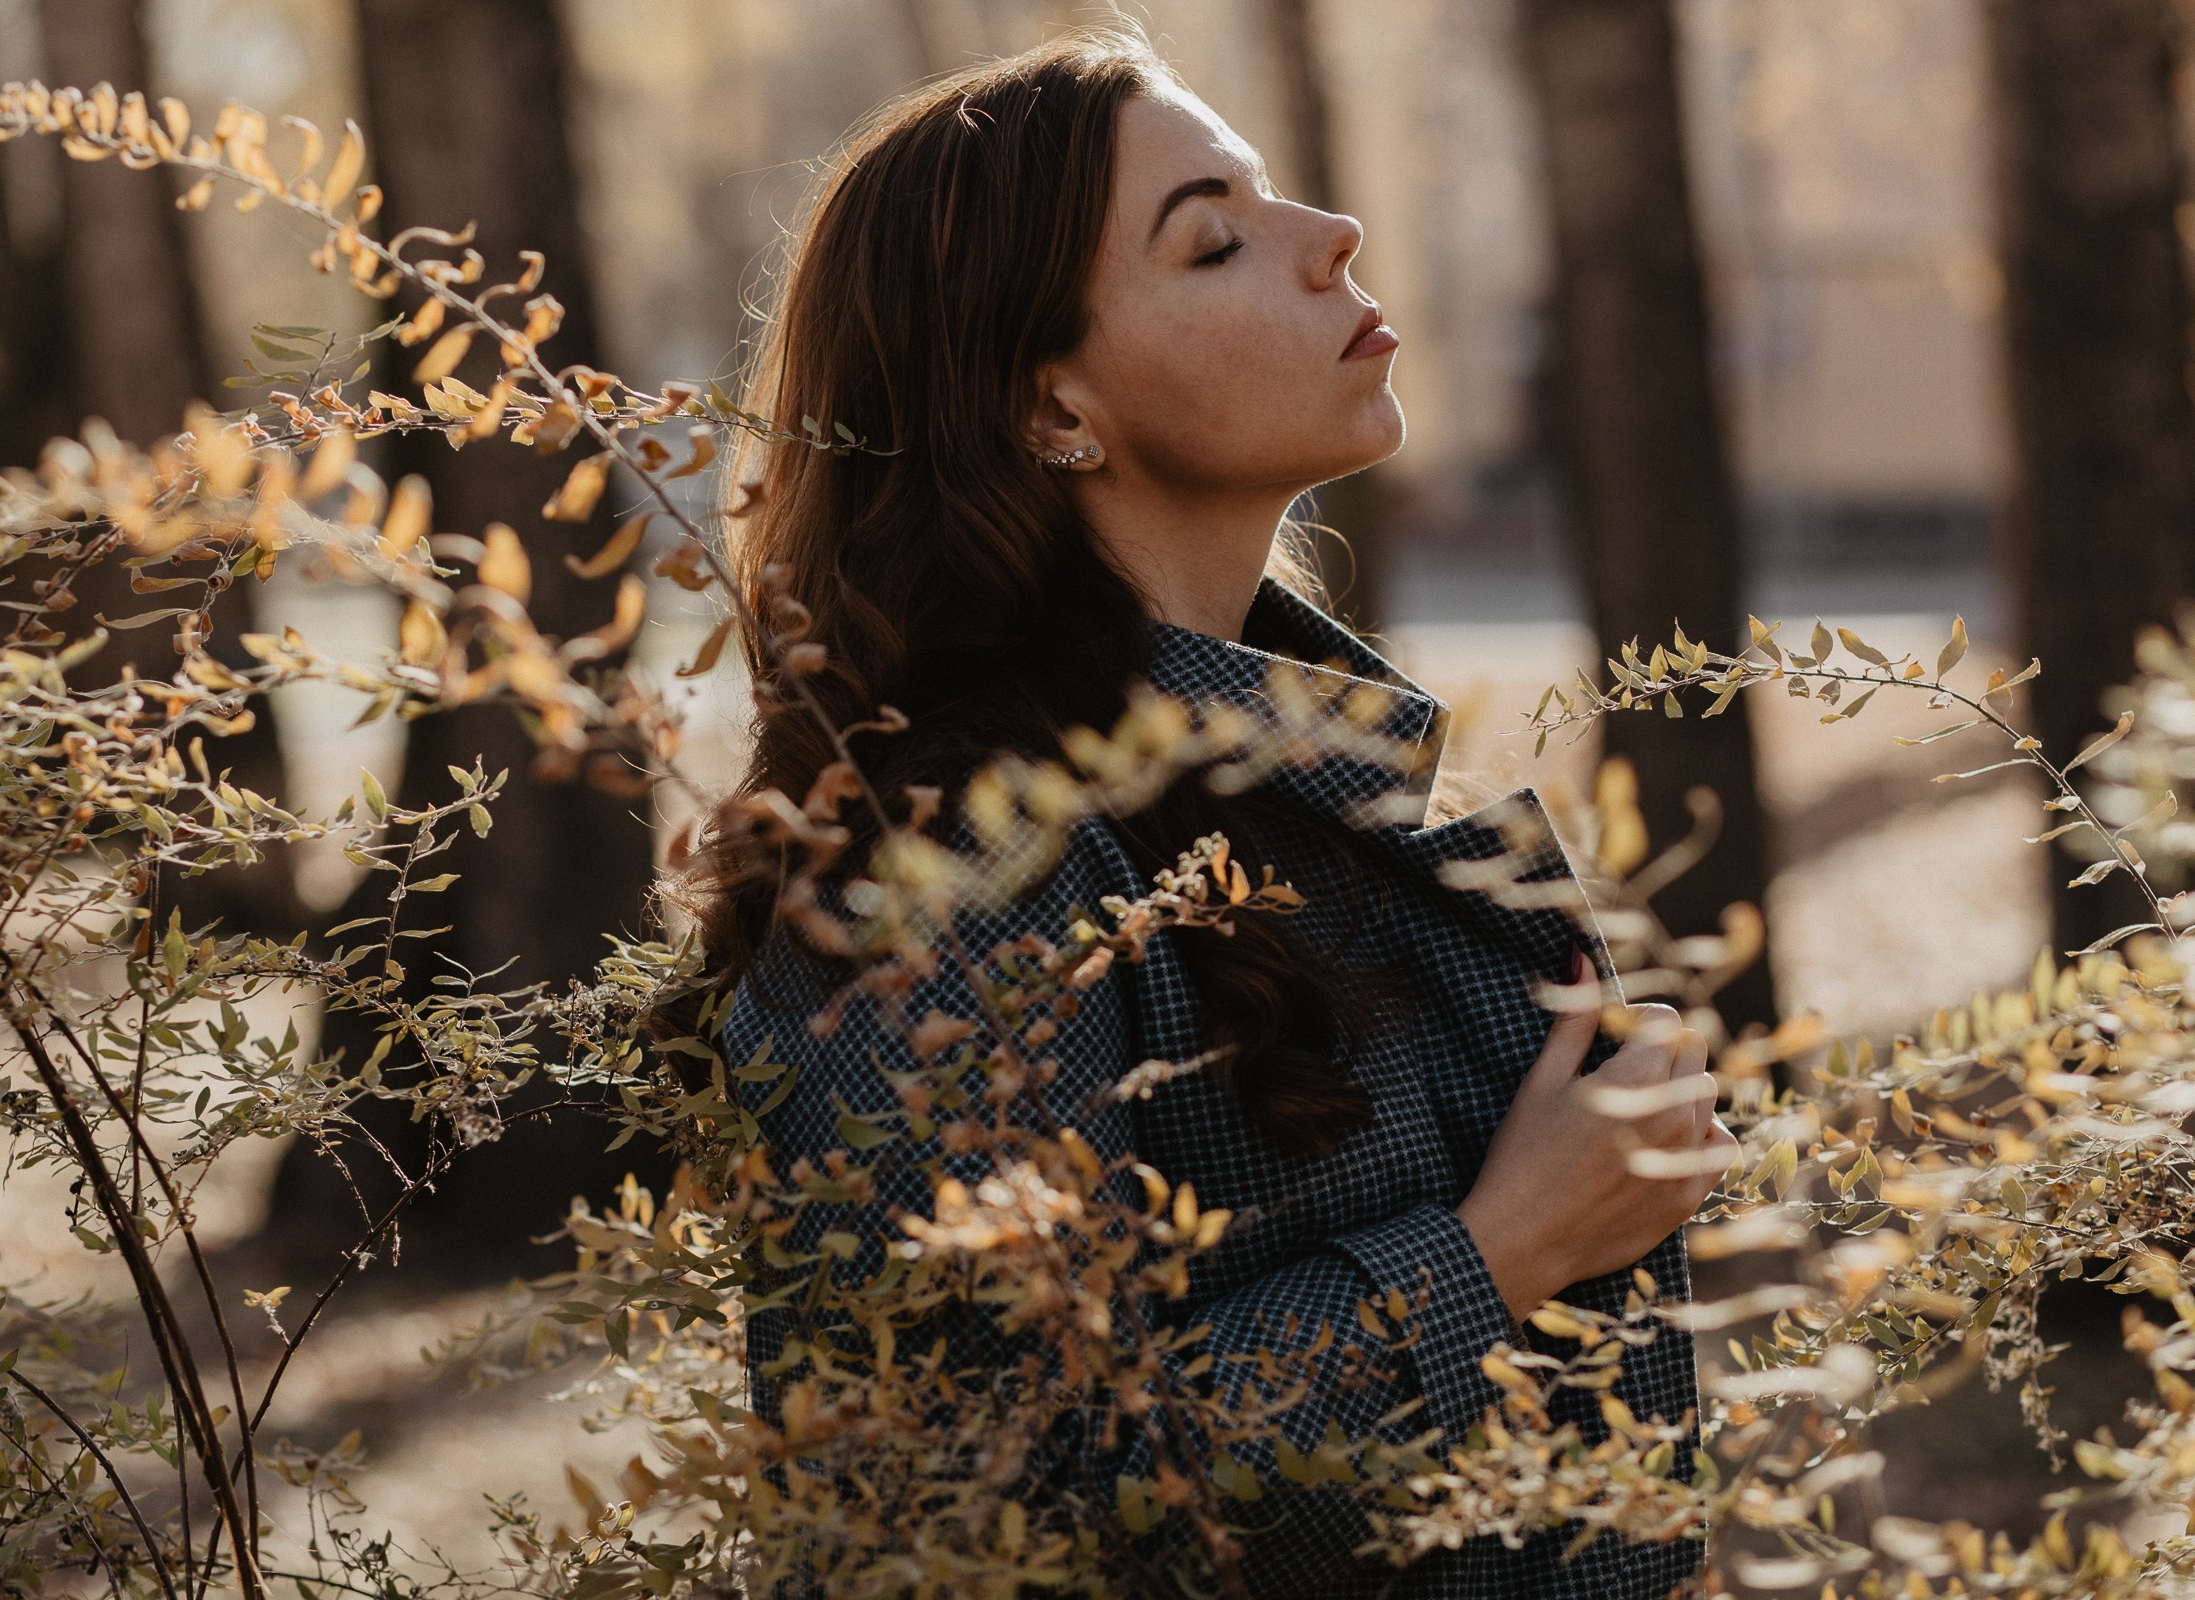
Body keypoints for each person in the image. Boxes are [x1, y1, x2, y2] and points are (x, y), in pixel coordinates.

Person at [663, 25, 1737, 1597]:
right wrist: (1504, 1249)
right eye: (1215, 238)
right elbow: (990, 1512)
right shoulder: (954, 869)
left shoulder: (1288, 790)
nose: (1332, 240)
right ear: (1049, 412)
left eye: (1272, 195)